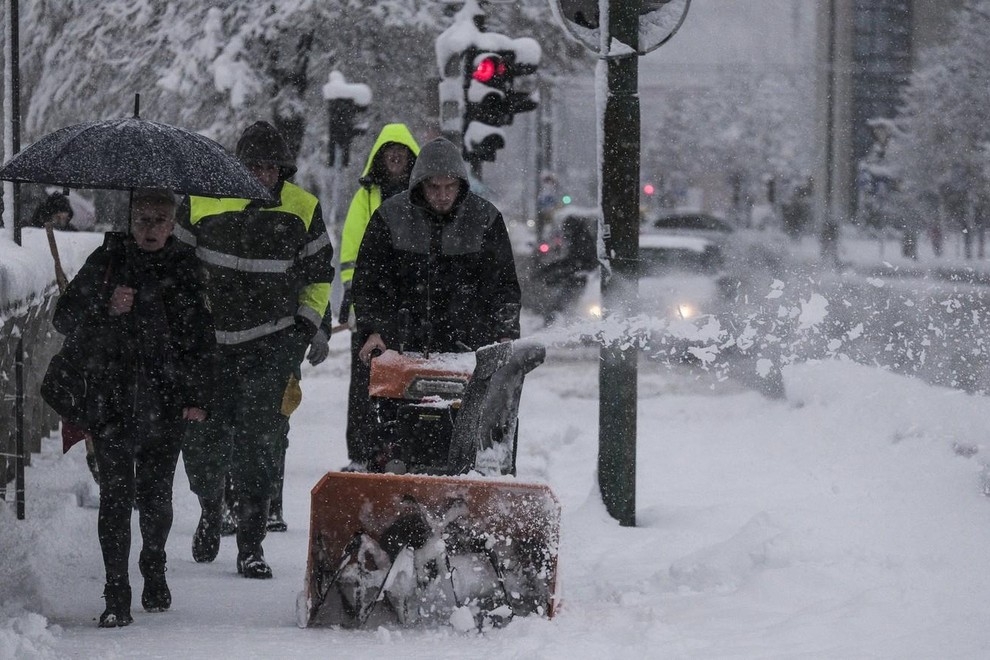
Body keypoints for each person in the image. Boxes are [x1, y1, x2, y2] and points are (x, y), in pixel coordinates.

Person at [176, 120, 334, 579]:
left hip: (271, 346)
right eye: (253, 166)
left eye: (270, 167)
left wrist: (304, 328)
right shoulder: (202, 200)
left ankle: (251, 544)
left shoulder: (303, 208)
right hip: (210, 348)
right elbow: (177, 265)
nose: (262, 174)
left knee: (259, 448)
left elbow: (319, 274)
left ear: (282, 169)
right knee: (202, 442)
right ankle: (211, 507)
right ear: (237, 165)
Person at [51, 188, 215, 628]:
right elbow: (64, 319)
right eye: (142, 219)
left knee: (157, 498)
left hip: (166, 402)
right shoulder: (106, 261)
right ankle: (115, 591)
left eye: (160, 220)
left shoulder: (184, 267)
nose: (150, 229)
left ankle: (154, 564)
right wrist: (106, 307)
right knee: (116, 498)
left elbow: (201, 338)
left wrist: (198, 397)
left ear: (173, 223)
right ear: (129, 219)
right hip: (112, 400)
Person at [352, 134, 521, 384]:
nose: (442, 195)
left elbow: (503, 284)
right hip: (403, 348)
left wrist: (505, 333)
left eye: (449, 186)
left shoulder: (485, 219)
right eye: (434, 187)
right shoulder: (390, 218)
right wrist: (373, 330)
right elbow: (369, 281)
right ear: (421, 184)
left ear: (460, 184)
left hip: (469, 351)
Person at [336, 123, 419, 471]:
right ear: (380, 158)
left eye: (401, 151)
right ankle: (362, 452)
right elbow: (352, 248)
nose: (395, 157)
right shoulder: (366, 198)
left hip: (410, 306)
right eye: (390, 152)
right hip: (373, 306)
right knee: (365, 384)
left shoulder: (419, 195)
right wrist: (353, 293)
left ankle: (400, 448)